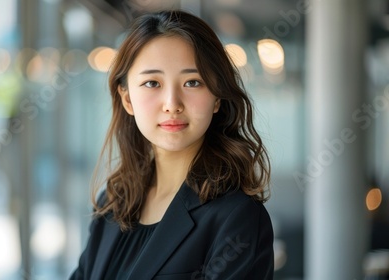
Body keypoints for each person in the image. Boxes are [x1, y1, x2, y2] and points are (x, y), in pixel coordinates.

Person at [69, 10, 273, 280]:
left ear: (217, 97)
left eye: (192, 82)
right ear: (127, 99)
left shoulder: (237, 218)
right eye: (152, 83)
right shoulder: (114, 202)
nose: (172, 104)